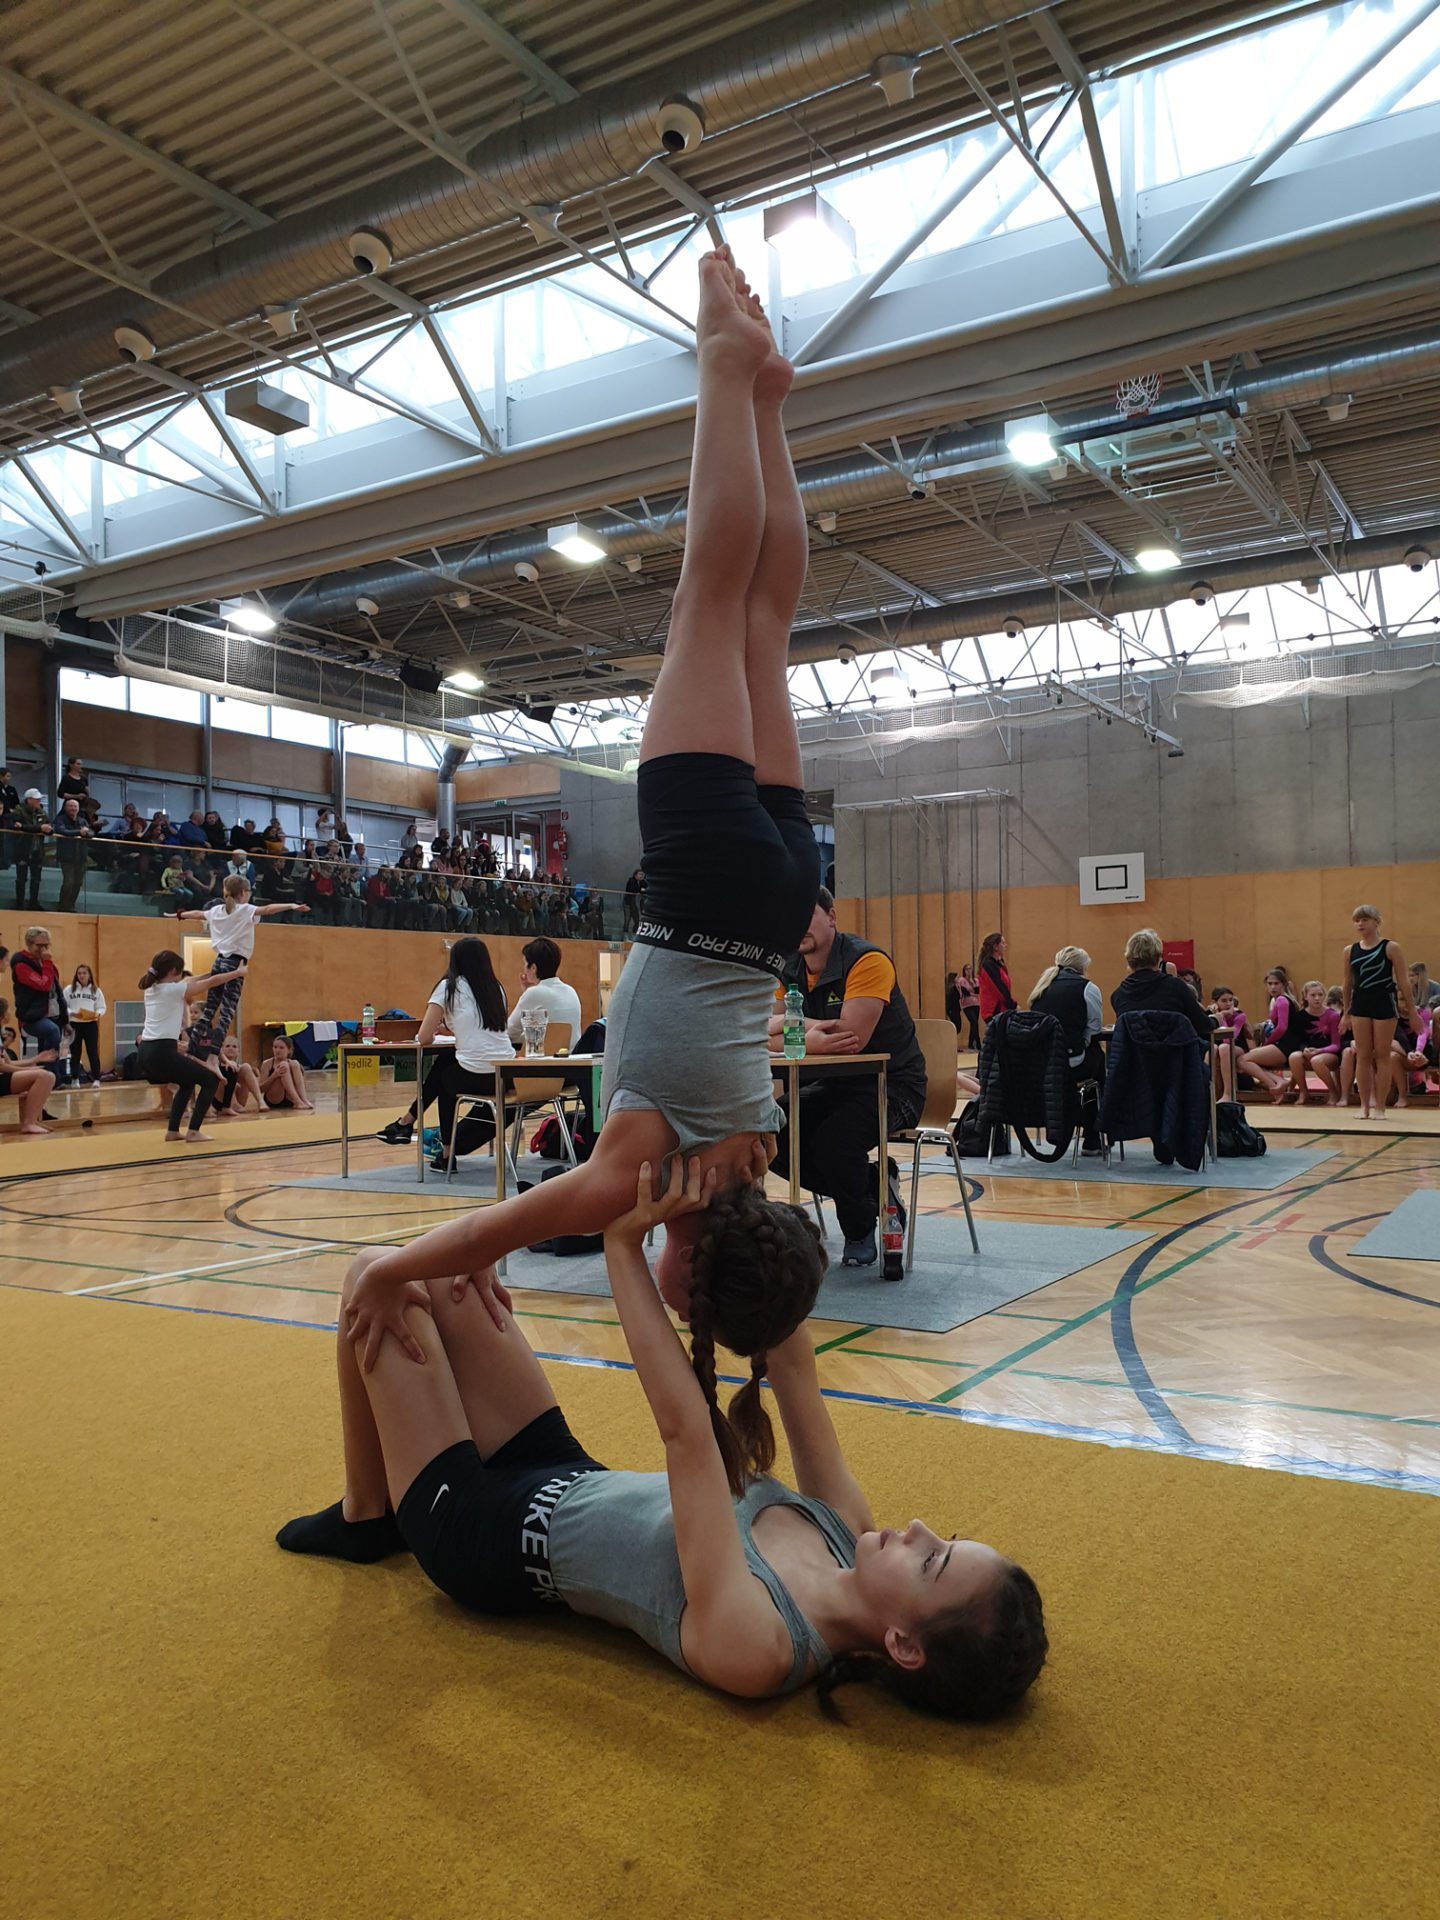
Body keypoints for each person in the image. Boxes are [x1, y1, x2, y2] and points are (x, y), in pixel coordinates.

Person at [343, 248, 827, 1374]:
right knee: (709, 601)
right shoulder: (639, 1177)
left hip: (776, 903)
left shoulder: (754, 1161)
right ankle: (725, 366)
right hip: (705, 893)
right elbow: (490, 1229)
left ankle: (765, 401)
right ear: (685, 1274)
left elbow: (745, 1272)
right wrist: (392, 1269)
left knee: (764, 628)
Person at [279, 1155, 1047, 1720]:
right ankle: (372, 1503)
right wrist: (740, 1182)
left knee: (375, 1277)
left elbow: (686, 1435)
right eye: (943, 1538)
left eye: (933, 1561)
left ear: (904, 1644)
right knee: (447, 1277)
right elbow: (793, 1362)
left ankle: (368, 1515)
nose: (917, 1530)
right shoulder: (845, 1527)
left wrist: (625, 1251)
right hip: (558, 1469)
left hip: (480, 1533)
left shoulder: (762, 1645)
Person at [770, 887, 927, 1269]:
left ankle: (858, 1229)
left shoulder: (867, 960)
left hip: (893, 1085)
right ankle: (874, 1186)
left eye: (807, 914)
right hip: (832, 1084)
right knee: (770, 1130)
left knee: (834, 1142)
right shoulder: (788, 967)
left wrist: (791, 1028)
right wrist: (812, 1035)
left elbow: (851, 1038)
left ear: (832, 916)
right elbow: (761, 1030)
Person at [376, 938, 515, 1167]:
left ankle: (444, 1152)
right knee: (446, 1060)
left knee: (445, 1079)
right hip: (505, 1075)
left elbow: (424, 1037)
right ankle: (406, 1123)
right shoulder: (496, 988)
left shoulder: (449, 986)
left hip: (476, 1074)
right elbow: (483, 1027)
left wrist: (438, 1032)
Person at [172, 873, 309, 1060]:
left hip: (219, 961)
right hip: (235, 963)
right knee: (227, 1012)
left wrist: (179, 914)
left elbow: (196, 914)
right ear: (243, 892)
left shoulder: (217, 910)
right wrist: (291, 905)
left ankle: (191, 1048)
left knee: (210, 1010)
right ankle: (214, 1056)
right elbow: (268, 909)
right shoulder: (244, 909)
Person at [136, 950, 245, 1142]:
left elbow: (190, 980)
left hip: (145, 1053)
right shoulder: (173, 990)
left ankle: (173, 1131)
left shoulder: (152, 989)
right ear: (173, 971)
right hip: (162, 1053)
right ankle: (193, 1131)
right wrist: (237, 973)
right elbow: (210, 983)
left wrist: (212, 971)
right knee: (211, 1080)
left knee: (186, 1083)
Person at [1030, 946, 1104, 1155]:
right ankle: (1092, 1138)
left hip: (1043, 1063)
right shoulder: (1088, 988)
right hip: (1072, 1061)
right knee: (1098, 1067)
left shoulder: (1041, 988)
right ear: (1083, 967)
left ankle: (1063, 1125)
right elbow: (1095, 1027)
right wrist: (1083, 1041)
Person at [1342, 904, 1413, 1120]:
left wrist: (1413, 1011)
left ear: (1376, 922)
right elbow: (1347, 983)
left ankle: (1380, 1106)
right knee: (1363, 1055)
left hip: (1384, 1003)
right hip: (1360, 1005)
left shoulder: (1390, 948)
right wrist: (1346, 1013)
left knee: (1382, 1055)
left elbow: (1403, 981)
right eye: (1357, 920)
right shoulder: (1350, 951)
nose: (1360, 924)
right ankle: (1364, 1106)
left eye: (1364, 919)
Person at [1110, 929, 1213, 1040]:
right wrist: (1216, 1019)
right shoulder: (1177, 987)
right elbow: (1202, 1026)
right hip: (1173, 1050)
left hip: (1135, 1051)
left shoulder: (1118, 996)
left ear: (1129, 960)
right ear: (1158, 957)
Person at [11, 925, 69, 1081]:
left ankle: (44, 1077)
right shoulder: (21, 965)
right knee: (52, 1031)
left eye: (46, 945)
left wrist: (65, 1019)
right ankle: (52, 1077)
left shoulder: (47, 965)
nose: (43, 949)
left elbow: (57, 991)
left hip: (52, 1013)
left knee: (50, 1041)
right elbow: (43, 985)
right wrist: (47, 963)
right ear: (29, 944)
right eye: (39, 945)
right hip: (31, 1016)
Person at [506, 936, 582, 1052]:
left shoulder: (534, 993)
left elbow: (510, 1031)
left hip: (545, 1059)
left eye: (525, 964)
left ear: (533, 968)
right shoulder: (571, 991)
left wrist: (528, 993)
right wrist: (527, 991)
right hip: (573, 1058)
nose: (524, 969)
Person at [1238, 967, 1303, 1097]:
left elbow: (1282, 1028)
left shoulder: (1282, 1000)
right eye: (1270, 984)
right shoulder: (1281, 999)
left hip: (1286, 1045)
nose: (1273, 987)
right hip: (1286, 1044)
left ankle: (1274, 1085)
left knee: (1242, 1061)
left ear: (1284, 984)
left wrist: (1268, 1043)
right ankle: (1277, 1081)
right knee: (1246, 1061)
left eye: (1276, 983)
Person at [1280, 980, 1342, 1104]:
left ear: (1324, 996)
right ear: (1305, 997)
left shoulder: (1333, 1016)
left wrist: (1320, 1051)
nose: (1317, 998)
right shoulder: (1300, 1016)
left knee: (1317, 1061)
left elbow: (1336, 1044)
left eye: (1320, 995)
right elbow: (1298, 1040)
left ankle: (1333, 1092)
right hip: (1310, 1053)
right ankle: (1303, 1091)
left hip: (1329, 1054)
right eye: (1313, 995)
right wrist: (1304, 1049)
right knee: (1294, 1057)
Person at [1205, 985, 1250, 1102]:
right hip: (1219, 1047)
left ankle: (1228, 1093)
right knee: (1212, 1048)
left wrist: (1222, 1017)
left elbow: (1228, 1039)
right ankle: (1208, 1091)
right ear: (1214, 1003)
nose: (1229, 1003)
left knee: (1224, 1047)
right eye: (1224, 1001)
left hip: (1237, 1047)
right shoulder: (1210, 1015)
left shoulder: (1239, 1015)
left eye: (1231, 1000)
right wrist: (1217, 1015)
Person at [10, 789, 50, 911]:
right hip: (22, 847)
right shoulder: (18, 811)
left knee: (36, 878)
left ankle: (34, 902)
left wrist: (48, 829)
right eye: (36, 799)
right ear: (29, 800)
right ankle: (19, 902)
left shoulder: (42, 812)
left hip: (37, 848)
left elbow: (48, 826)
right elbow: (17, 826)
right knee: (21, 878)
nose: (38, 801)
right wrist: (39, 828)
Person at [52, 795, 93, 912]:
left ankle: (71, 905)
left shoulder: (83, 821)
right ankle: (63, 905)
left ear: (78, 808)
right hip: (67, 856)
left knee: (78, 882)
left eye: (75, 806)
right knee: (68, 882)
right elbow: (62, 831)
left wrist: (85, 833)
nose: (73, 808)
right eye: (70, 806)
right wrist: (79, 832)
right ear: (65, 808)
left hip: (81, 856)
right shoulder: (60, 819)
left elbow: (91, 833)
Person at [67, 963, 106, 1083]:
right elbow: (63, 1006)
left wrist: (97, 1014)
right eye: (79, 973)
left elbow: (102, 1007)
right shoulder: (69, 989)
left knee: (92, 1052)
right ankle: (75, 1079)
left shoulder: (96, 990)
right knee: (75, 1053)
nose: (81, 975)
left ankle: (96, 1079)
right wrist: (72, 1013)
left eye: (84, 973)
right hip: (74, 1024)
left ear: (89, 975)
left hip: (90, 1025)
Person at [259, 1034, 315, 1112]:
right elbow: (260, 1089)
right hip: (275, 1099)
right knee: (284, 1065)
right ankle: (298, 1102)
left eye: (281, 1048)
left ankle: (303, 1100)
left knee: (294, 1063)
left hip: (290, 1099)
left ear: (289, 1050)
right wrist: (274, 1075)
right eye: (275, 1047)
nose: (277, 1050)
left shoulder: (294, 1065)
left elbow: (302, 1085)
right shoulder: (267, 1064)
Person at [213, 1032, 263, 1117]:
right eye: (227, 1046)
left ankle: (261, 1102)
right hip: (220, 1100)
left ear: (238, 1052)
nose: (231, 1048)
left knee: (246, 1066)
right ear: (221, 1050)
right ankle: (231, 1105)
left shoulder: (241, 1068)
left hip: (239, 1100)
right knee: (227, 1071)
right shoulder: (216, 1064)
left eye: (234, 1046)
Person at [976, 932, 1015, 1029]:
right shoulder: (988, 965)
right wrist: (1012, 1005)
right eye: (1003, 943)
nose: (1005, 945)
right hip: (993, 1011)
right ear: (995, 947)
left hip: (1001, 1010)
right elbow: (999, 988)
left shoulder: (999, 964)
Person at [622, 867, 646, 938]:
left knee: (636, 919)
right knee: (627, 919)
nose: (641, 876)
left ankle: (634, 933)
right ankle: (625, 935)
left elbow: (644, 890)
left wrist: (641, 889)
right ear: (635, 875)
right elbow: (632, 890)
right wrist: (640, 890)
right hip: (628, 903)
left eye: (642, 874)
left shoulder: (642, 882)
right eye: (639, 874)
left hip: (635, 903)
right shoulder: (631, 881)